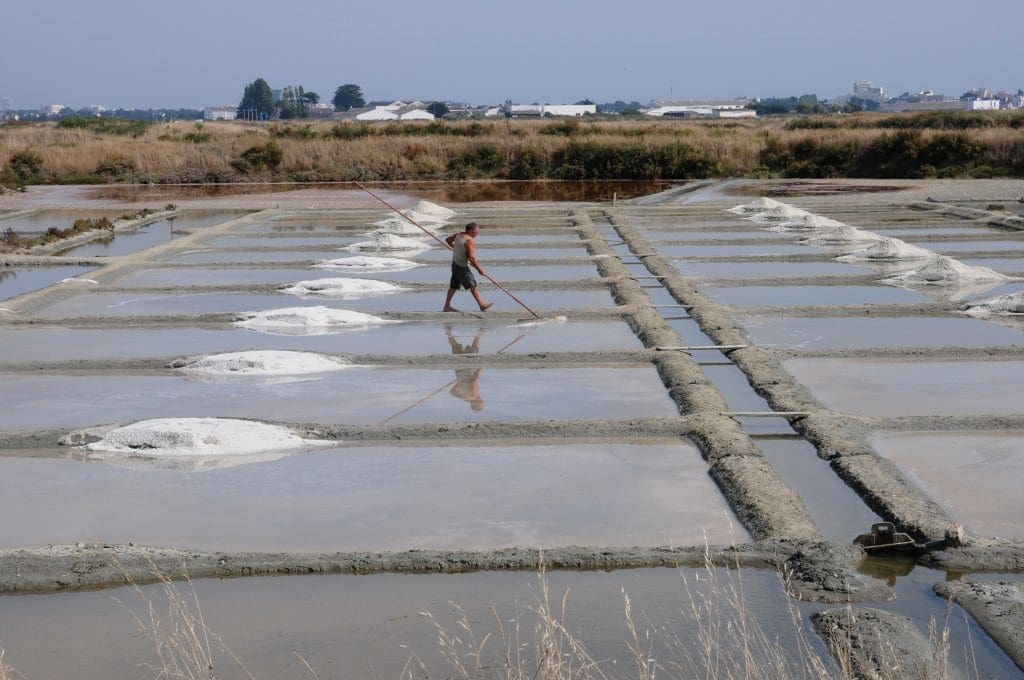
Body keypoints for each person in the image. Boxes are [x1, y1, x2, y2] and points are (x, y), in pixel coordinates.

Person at [443, 222, 493, 312]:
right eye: (476, 233)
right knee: (472, 285)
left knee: (453, 286)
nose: (476, 235)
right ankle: (482, 305)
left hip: (455, 265)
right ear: (470, 230)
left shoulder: (458, 235)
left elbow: (447, 240)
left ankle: (447, 306)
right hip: (462, 266)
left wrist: (456, 249)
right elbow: (471, 258)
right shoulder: (469, 240)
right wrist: (479, 269)